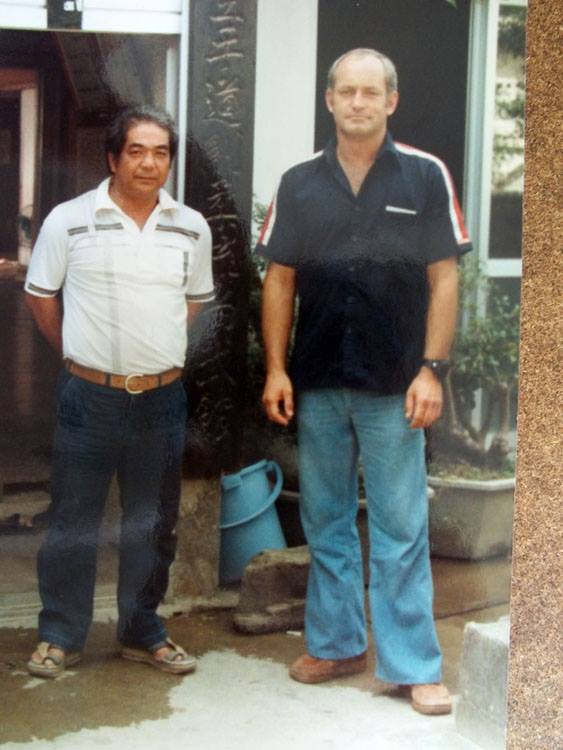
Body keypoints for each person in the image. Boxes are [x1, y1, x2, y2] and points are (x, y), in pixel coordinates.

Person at [257, 49, 471, 715]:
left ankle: (413, 665)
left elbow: (444, 278)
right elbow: (280, 279)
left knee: (401, 527)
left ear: (390, 101)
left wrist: (432, 370)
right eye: (345, 91)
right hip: (318, 378)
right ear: (329, 100)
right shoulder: (298, 183)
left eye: (369, 92)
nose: (357, 102)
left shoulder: (424, 176)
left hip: (395, 384)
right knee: (324, 521)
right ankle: (337, 644)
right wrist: (275, 367)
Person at [24, 105, 215, 678]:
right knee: (73, 518)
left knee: (153, 521)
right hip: (89, 398)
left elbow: (193, 303)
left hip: (161, 400)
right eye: (136, 151)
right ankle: (61, 634)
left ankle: (141, 630)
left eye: (160, 153)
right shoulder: (69, 220)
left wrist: (151, 354)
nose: (149, 163)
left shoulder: (191, 226)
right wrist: (81, 354)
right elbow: (41, 297)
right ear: (113, 157)